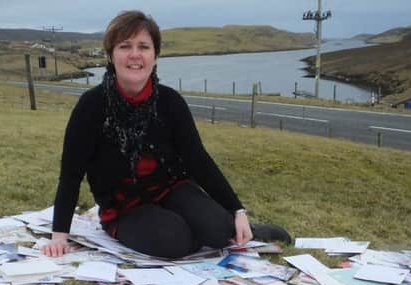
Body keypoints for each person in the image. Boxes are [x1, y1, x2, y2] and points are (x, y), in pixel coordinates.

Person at [42, 10, 290, 259]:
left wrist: (237, 210)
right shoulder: (91, 106)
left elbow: (198, 159)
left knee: (220, 229)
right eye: (125, 46)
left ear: (155, 56)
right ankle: (185, 230)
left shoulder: (170, 101)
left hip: (171, 188)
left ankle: (242, 229)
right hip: (125, 206)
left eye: (144, 46)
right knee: (173, 241)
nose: (135, 55)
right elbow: (71, 174)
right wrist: (59, 236)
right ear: (110, 55)